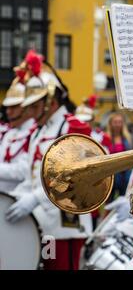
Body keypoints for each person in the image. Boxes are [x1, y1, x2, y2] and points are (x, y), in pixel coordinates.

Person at [5, 50, 93, 270]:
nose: (32, 113)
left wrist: (34, 197)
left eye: (35, 106)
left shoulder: (73, 127)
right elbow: (31, 175)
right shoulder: (38, 131)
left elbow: (74, 176)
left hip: (66, 226)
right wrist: (16, 197)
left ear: (51, 101)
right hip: (43, 223)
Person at [0, 78, 35, 193]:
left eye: (14, 107)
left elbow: (25, 171)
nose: (8, 112)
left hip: (20, 199)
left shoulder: (34, 134)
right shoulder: (9, 133)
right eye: (8, 107)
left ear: (27, 107)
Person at [105, 112, 132, 201]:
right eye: (115, 122)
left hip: (125, 172)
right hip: (111, 173)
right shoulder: (106, 138)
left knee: (125, 198)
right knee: (110, 200)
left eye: (120, 122)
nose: (118, 124)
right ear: (110, 124)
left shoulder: (127, 138)